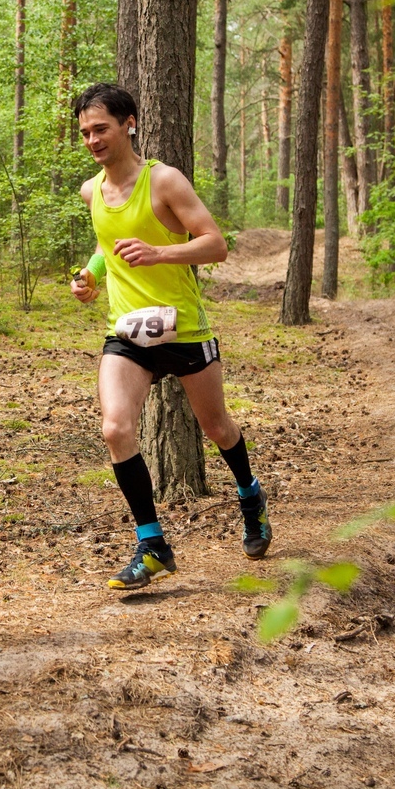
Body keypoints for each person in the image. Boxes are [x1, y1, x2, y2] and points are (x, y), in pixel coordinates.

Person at [69, 82, 271, 591]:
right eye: (86, 132)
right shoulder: (92, 191)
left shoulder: (164, 181)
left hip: (182, 328)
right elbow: (105, 242)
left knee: (218, 428)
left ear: (129, 123)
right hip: (129, 330)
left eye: (101, 129)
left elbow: (216, 245)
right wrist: (93, 275)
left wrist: (160, 253)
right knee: (115, 429)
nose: (93, 140)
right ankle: (153, 545)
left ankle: (250, 496)